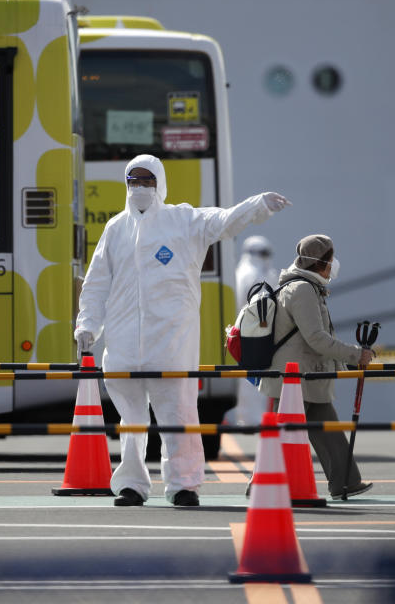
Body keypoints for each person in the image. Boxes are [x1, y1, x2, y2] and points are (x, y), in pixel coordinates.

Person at [74, 154, 291, 507]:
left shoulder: (183, 220)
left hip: (171, 340)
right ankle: (131, 485)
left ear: (160, 183)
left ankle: (183, 485)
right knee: (130, 419)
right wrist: (87, 323)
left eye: (147, 180)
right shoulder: (116, 229)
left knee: (180, 413)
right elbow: (97, 282)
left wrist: (257, 206)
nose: (140, 188)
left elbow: (224, 220)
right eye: (134, 180)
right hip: (124, 341)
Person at [258, 233, 375, 499]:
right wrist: (355, 355)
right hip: (296, 379)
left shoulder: (307, 287)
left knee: (328, 432)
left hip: (307, 377)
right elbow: (316, 337)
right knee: (281, 436)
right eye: (331, 259)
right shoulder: (302, 290)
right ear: (320, 262)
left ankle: (345, 482)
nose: (334, 265)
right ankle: (259, 485)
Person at [231, 235, 280, 424]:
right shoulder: (251, 275)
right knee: (251, 380)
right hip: (254, 334)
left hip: (252, 334)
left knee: (253, 379)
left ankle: (250, 418)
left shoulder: (252, 272)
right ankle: (250, 420)